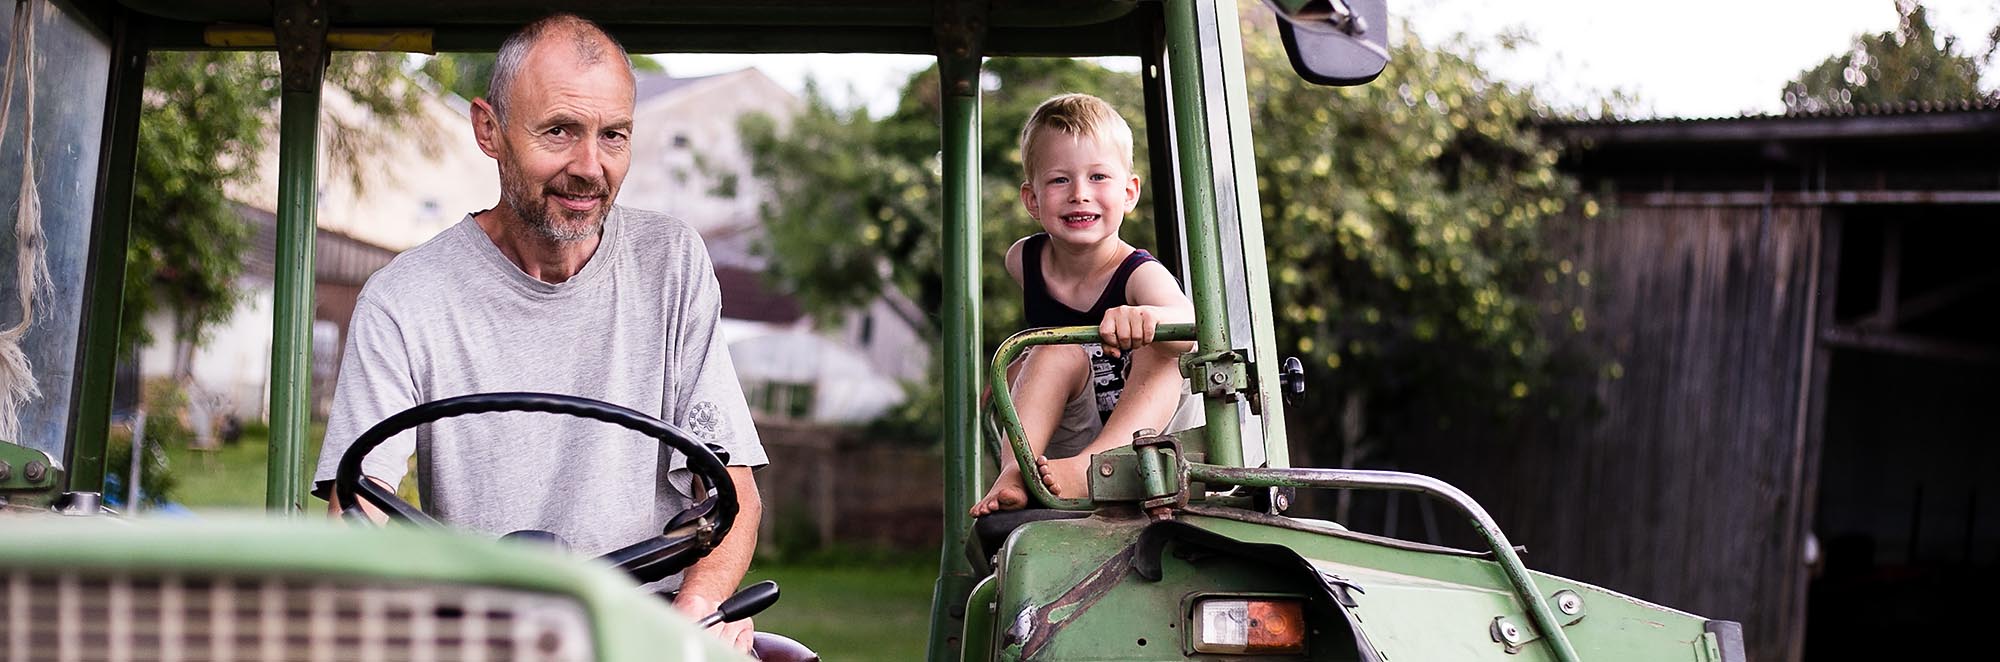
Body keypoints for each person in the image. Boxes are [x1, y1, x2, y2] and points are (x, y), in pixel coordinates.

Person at [309, 13, 766, 653]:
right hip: (478, 633)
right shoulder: (405, 297)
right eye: (560, 132)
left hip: (641, 630)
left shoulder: (673, 264)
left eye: (614, 136)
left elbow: (730, 486)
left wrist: (696, 609)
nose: (590, 166)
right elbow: (361, 507)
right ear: (488, 130)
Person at [971, 93, 1197, 517]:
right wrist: (1022, 375)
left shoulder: (1138, 273)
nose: (1079, 194)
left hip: (1148, 444)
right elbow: (1037, 354)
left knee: (1164, 348)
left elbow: (1191, 324)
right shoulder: (1024, 261)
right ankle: (1016, 472)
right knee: (1049, 348)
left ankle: (1099, 469)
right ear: (1032, 200)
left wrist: (1145, 315)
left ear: (1129, 192)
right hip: (1071, 443)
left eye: (1098, 177)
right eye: (1059, 180)